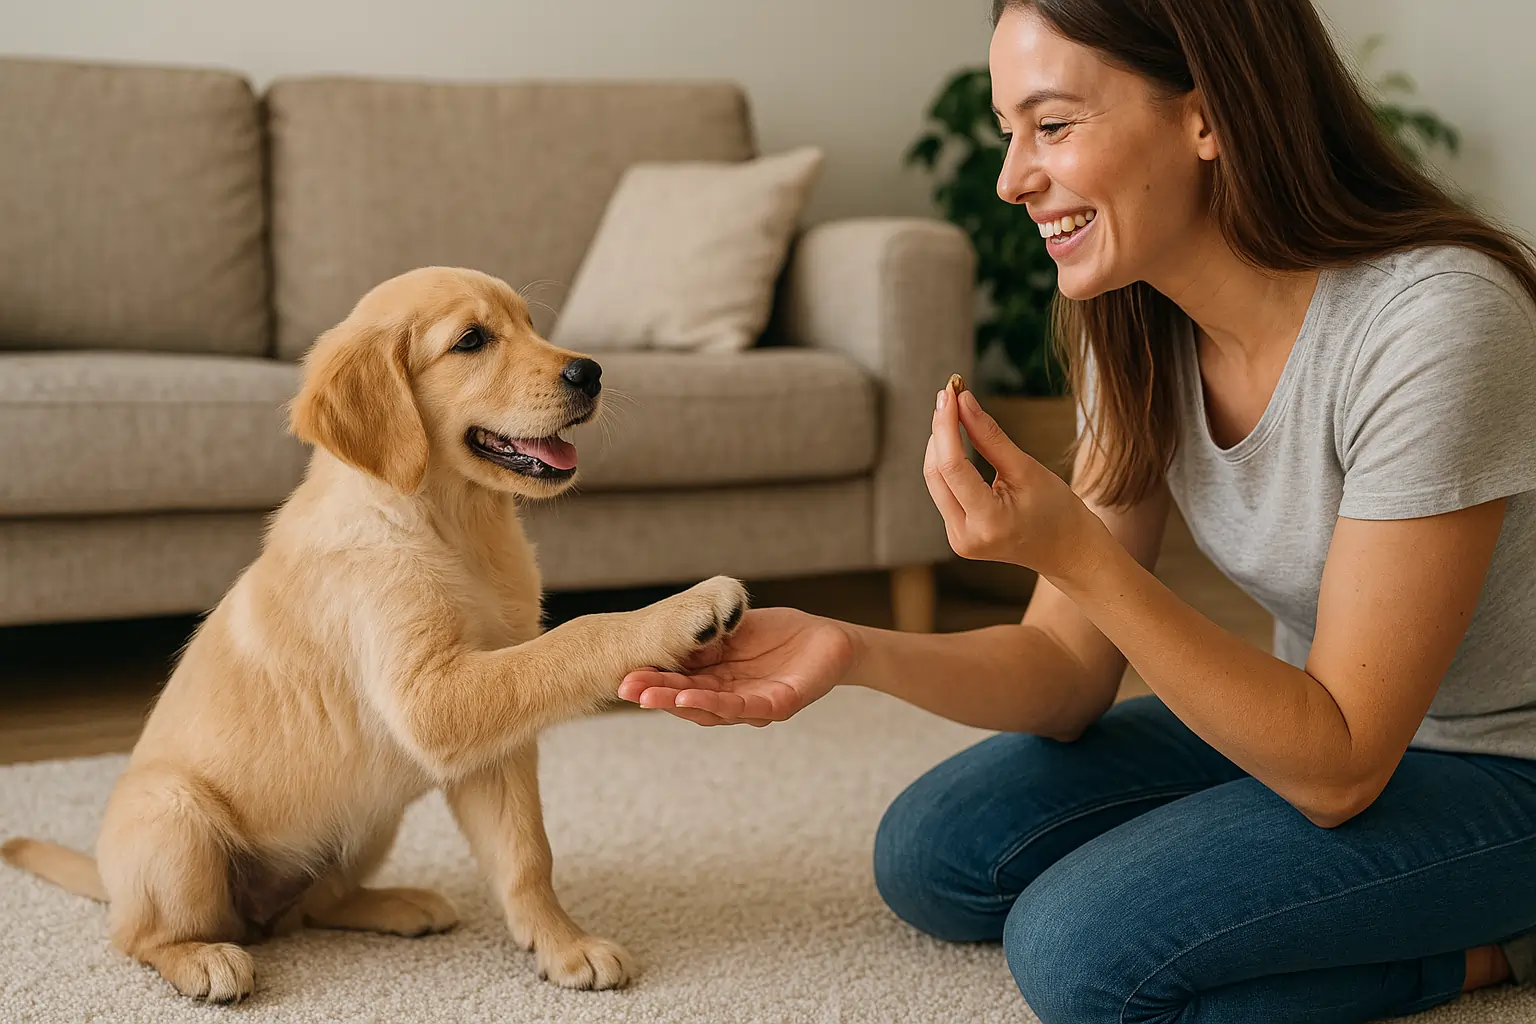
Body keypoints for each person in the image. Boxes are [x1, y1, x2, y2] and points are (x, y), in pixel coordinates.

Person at [617, 0, 1536, 1020]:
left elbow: (1341, 768)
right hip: (1319, 724)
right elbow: (1064, 671)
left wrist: (1083, 555)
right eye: (1012, 132)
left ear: (1207, 116)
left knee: (1084, 948)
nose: (1013, 178)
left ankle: (1493, 947)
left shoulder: (1436, 322)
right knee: (939, 850)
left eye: (1051, 126)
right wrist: (851, 647)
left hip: (1497, 762)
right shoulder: (1136, 317)